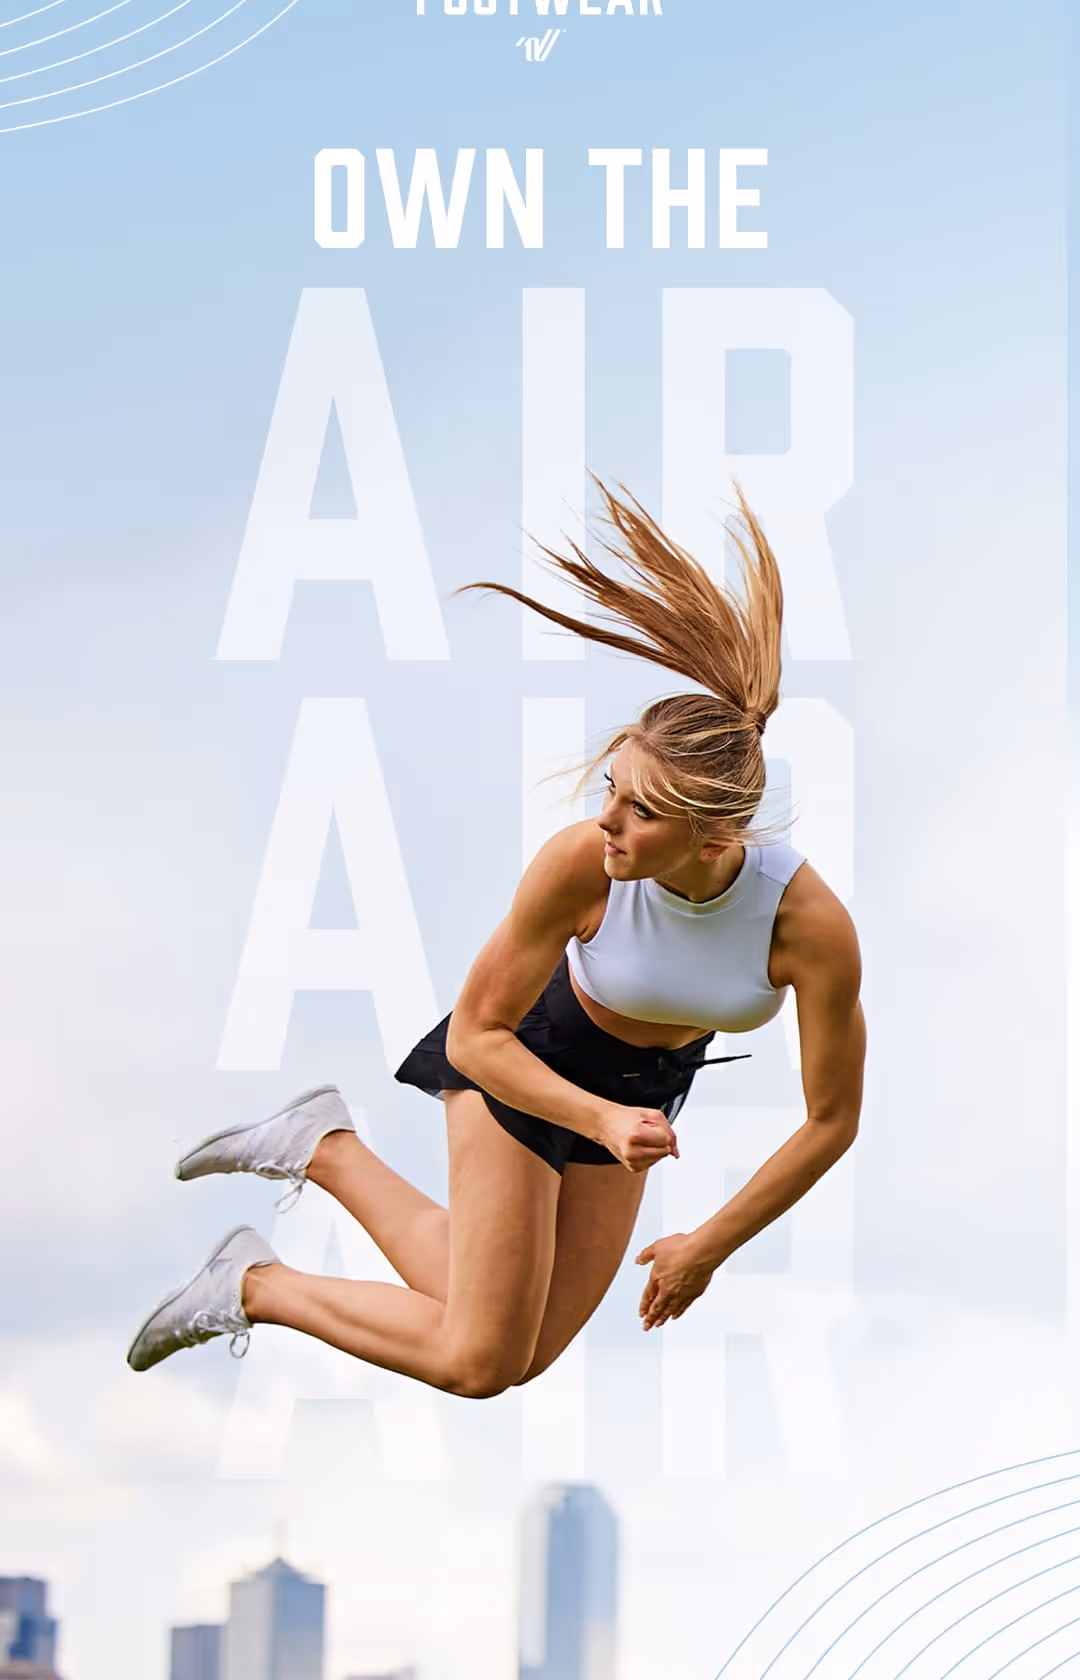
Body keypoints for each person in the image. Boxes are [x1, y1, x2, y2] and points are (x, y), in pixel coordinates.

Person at [127, 484, 865, 1396]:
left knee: (518, 1348)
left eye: (640, 811)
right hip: (528, 1057)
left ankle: (325, 1147)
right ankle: (253, 1286)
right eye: (611, 786)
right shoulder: (580, 865)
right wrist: (597, 1118)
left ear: (713, 839)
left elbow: (832, 1121)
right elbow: (476, 1036)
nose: (609, 821)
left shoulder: (809, 928)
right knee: (478, 1359)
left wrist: (708, 1246)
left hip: (642, 1096)